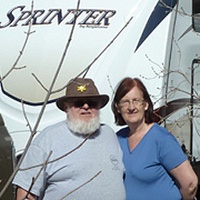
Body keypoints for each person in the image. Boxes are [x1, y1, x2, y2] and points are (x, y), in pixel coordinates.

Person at [13, 78, 125, 200]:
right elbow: (26, 194)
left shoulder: (109, 135)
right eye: (79, 102)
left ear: (99, 106)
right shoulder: (47, 140)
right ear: (67, 107)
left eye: (92, 102)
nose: (86, 106)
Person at [111, 77, 198, 200]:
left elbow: (190, 184)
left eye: (136, 100)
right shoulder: (118, 139)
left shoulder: (161, 139)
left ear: (146, 105)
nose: (131, 107)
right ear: (118, 107)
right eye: (125, 102)